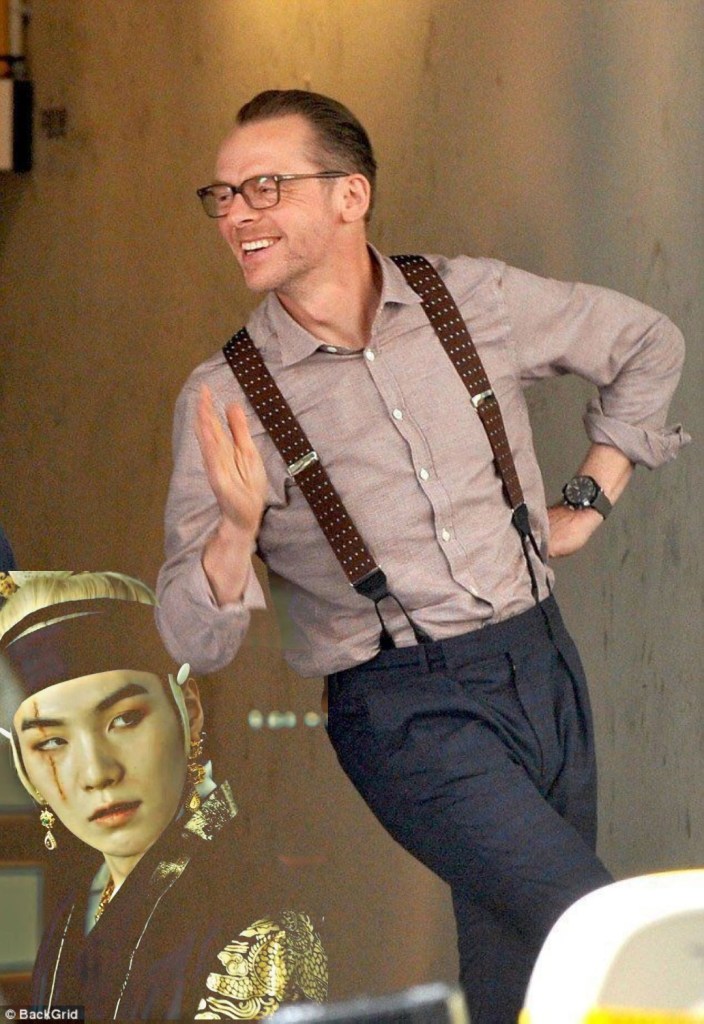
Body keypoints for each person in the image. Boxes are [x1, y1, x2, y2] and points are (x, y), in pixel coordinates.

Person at [155, 90, 689, 1024]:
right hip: (405, 712)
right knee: (597, 928)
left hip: (541, 663)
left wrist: (589, 498)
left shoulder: (468, 299)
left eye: (265, 187)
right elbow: (193, 641)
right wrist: (235, 526)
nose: (237, 213)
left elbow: (648, 341)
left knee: (525, 969)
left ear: (349, 195)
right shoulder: (226, 395)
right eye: (225, 195)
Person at [0, 572, 327, 1021]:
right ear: (23, 766)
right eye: (52, 742)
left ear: (188, 708)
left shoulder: (257, 919)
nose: (97, 773)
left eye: (124, 719)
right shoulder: (77, 905)